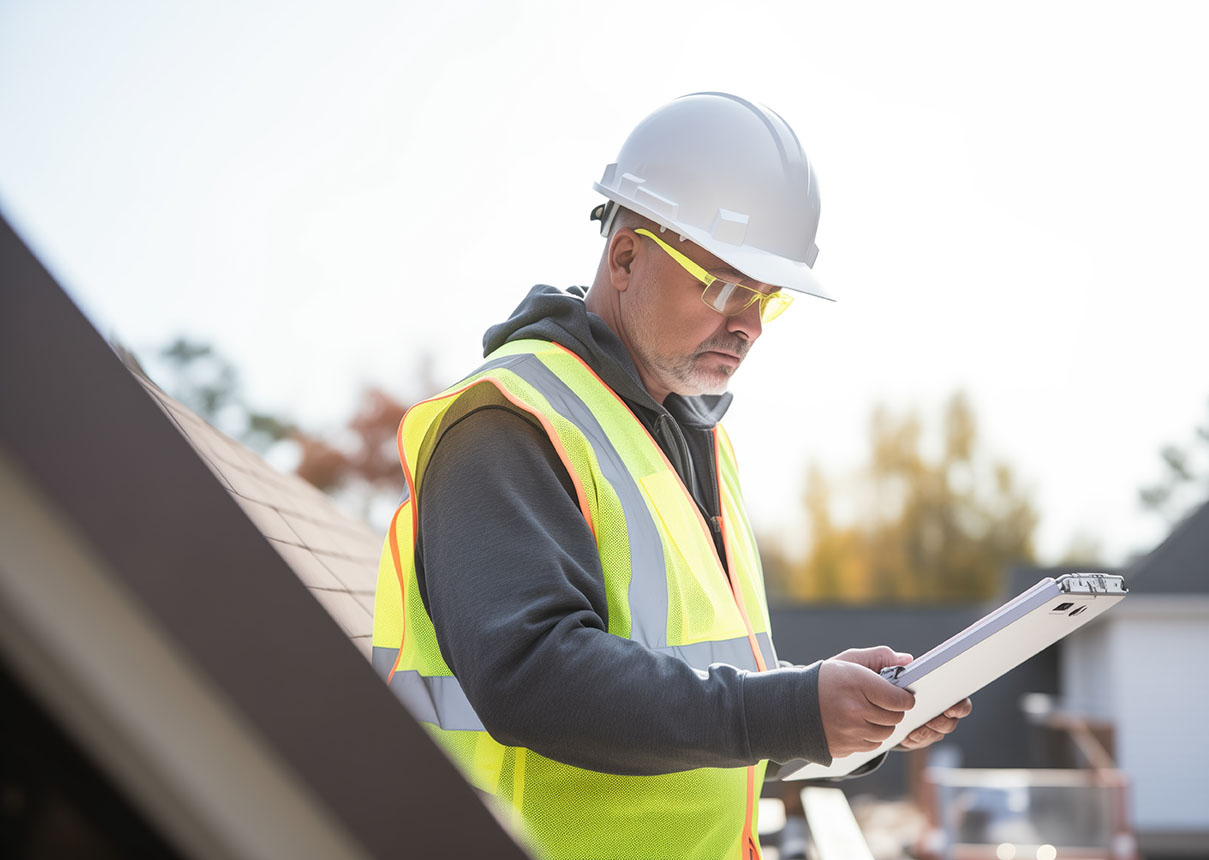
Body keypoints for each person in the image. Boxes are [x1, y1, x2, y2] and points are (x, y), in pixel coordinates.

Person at [371, 92, 971, 860]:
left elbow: (695, 700)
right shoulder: (509, 420)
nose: (749, 324)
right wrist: (787, 707)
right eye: (726, 286)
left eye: (766, 298)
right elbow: (532, 677)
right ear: (625, 259)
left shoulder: (690, 438)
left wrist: (829, 707)